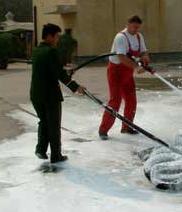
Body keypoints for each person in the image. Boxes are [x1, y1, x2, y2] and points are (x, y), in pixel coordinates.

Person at [30, 23, 86, 163]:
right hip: (50, 96)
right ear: (49, 36)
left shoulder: (36, 50)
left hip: (36, 94)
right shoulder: (51, 51)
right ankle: (56, 155)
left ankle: (40, 150)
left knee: (44, 122)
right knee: (54, 126)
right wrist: (76, 87)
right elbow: (59, 74)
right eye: (56, 37)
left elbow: (50, 70)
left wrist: (64, 72)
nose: (57, 40)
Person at [98, 15, 150, 140]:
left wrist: (145, 57)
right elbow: (122, 57)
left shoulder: (139, 36)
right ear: (128, 25)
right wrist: (137, 67)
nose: (136, 29)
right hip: (116, 72)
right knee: (115, 101)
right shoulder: (121, 37)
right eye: (133, 27)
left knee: (131, 100)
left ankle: (127, 127)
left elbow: (143, 51)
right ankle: (103, 130)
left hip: (127, 72)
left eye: (138, 27)